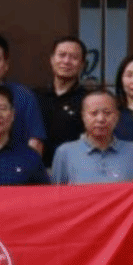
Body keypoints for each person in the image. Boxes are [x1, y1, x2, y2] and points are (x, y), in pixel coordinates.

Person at [49, 89, 133, 186]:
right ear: (83, 117)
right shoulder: (65, 153)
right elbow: (56, 195)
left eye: (107, 113)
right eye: (94, 113)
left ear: (117, 116)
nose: (101, 119)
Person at [36, 35, 90, 167]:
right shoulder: (34, 97)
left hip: (75, 170)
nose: (66, 61)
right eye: (61, 55)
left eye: (74, 57)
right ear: (52, 59)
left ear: (82, 64)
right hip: (38, 171)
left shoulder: (88, 100)